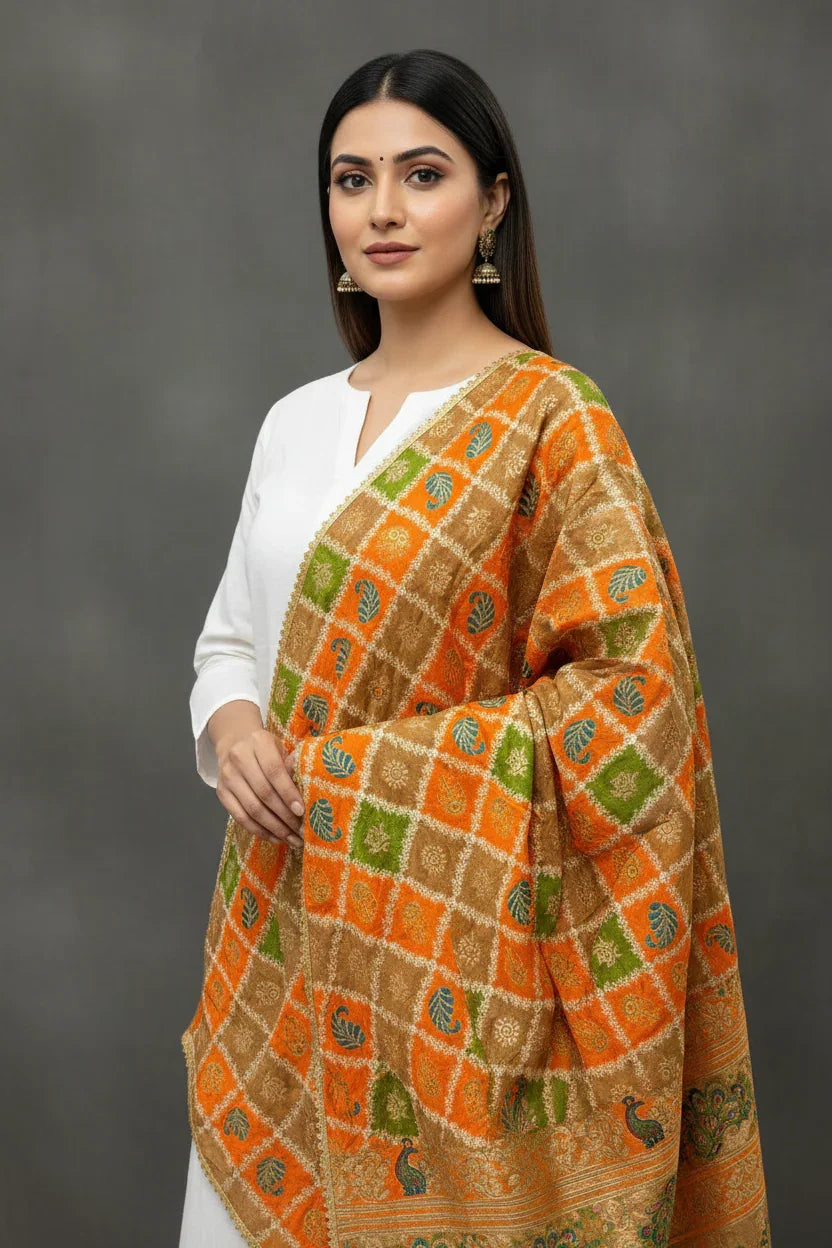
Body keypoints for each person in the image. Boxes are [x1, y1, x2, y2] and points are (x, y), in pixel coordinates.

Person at [179, 49, 770, 1248]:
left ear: (493, 200)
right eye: (352, 180)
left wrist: (366, 781)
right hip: (281, 948)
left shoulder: (553, 417)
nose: (382, 210)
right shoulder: (293, 424)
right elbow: (231, 637)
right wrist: (230, 723)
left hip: (462, 994)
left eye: (421, 173)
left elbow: (631, 701)